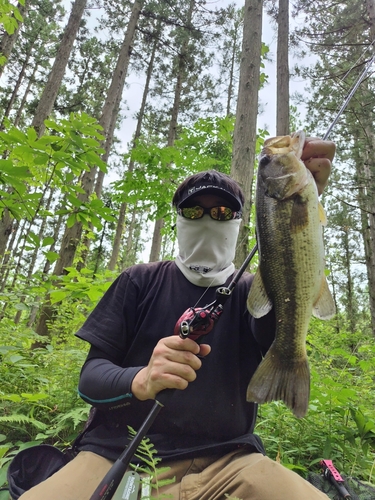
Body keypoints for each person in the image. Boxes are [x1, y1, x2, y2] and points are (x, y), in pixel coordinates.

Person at [20, 136, 335, 500]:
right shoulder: (138, 281)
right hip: (117, 456)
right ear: (177, 220)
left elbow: (275, 326)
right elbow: (90, 379)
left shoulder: (254, 290)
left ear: (237, 222)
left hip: (230, 461)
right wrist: (140, 379)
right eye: (193, 211)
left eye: (220, 213)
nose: (206, 219)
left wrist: (298, 215)